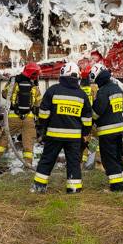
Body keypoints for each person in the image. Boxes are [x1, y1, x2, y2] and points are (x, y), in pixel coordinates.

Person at [33, 62, 93, 193]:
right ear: (77, 77)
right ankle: (74, 188)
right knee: (73, 162)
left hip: (54, 135)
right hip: (74, 137)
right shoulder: (82, 95)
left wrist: (43, 129)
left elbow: (43, 114)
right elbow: (87, 120)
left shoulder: (53, 91)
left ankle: (39, 187)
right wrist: (84, 134)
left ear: (62, 74)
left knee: (47, 160)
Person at [0, 62, 42, 171]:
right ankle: (28, 166)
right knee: (28, 143)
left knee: (4, 139)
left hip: (13, 117)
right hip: (28, 118)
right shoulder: (34, 87)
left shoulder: (14, 82)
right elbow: (38, 104)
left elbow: (4, 94)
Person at [90, 63, 123, 192]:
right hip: (118, 130)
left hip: (107, 131)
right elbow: (121, 109)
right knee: (118, 157)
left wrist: (90, 118)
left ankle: (117, 187)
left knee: (109, 160)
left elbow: (96, 112)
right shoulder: (116, 89)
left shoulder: (103, 92)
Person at [79, 63, 99, 165]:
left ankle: (83, 161)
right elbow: (97, 102)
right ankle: (96, 159)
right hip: (92, 117)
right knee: (94, 139)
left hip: (81, 118)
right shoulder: (94, 88)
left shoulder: (79, 89)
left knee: (84, 139)